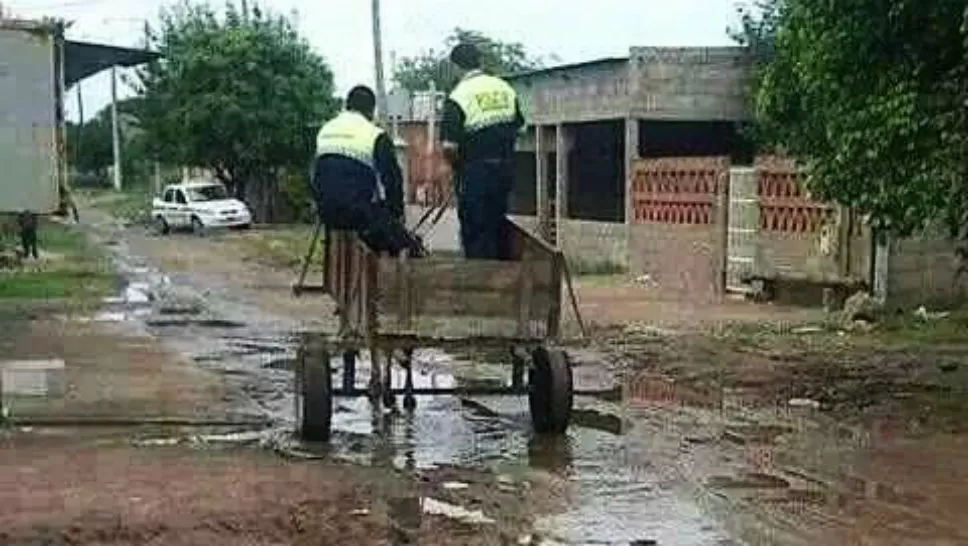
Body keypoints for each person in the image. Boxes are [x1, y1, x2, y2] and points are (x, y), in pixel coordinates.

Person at [311, 85, 423, 257]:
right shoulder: (375, 135)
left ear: (346, 105)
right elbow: (392, 181)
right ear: (371, 110)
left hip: (326, 212)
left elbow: (315, 173)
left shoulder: (325, 130)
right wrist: (397, 216)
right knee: (401, 243)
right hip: (359, 215)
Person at [440, 42, 525, 260]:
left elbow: (449, 146)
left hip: (475, 172)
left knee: (475, 228)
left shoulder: (458, 96)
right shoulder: (505, 88)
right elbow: (520, 127)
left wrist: (457, 167)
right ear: (480, 61)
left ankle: (480, 275)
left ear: (455, 67)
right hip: (505, 170)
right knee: (497, 222)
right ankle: (502, 272)